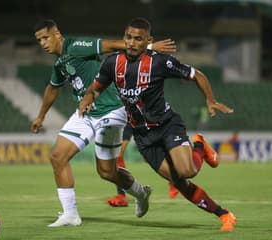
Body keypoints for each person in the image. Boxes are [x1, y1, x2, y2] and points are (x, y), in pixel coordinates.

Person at [78, 17, 236, 232]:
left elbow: (196, 74)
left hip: (167, 125)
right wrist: (89, 98)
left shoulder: (160, 62)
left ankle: (199, 145)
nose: (132, 43)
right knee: (179, 183)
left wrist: (210, 99)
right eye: (128, 37)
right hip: (144, 137)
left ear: (148, 40)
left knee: (187, 171)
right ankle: (224, 214)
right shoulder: (112, 62)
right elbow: (96, 88)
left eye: (138, 39)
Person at [30, 19, 176, 227]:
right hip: (85, 113)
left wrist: (150, 47)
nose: (43, 43)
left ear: (57, 34)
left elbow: (111, 45)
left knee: (107, 172)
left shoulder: (76, 46)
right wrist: (40, 116)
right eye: (39, 40)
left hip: (111, 111)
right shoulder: (60, 62)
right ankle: (70, 214)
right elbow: (52, 88)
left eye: (46, 37)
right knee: (57, 157)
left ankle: (140, 194)